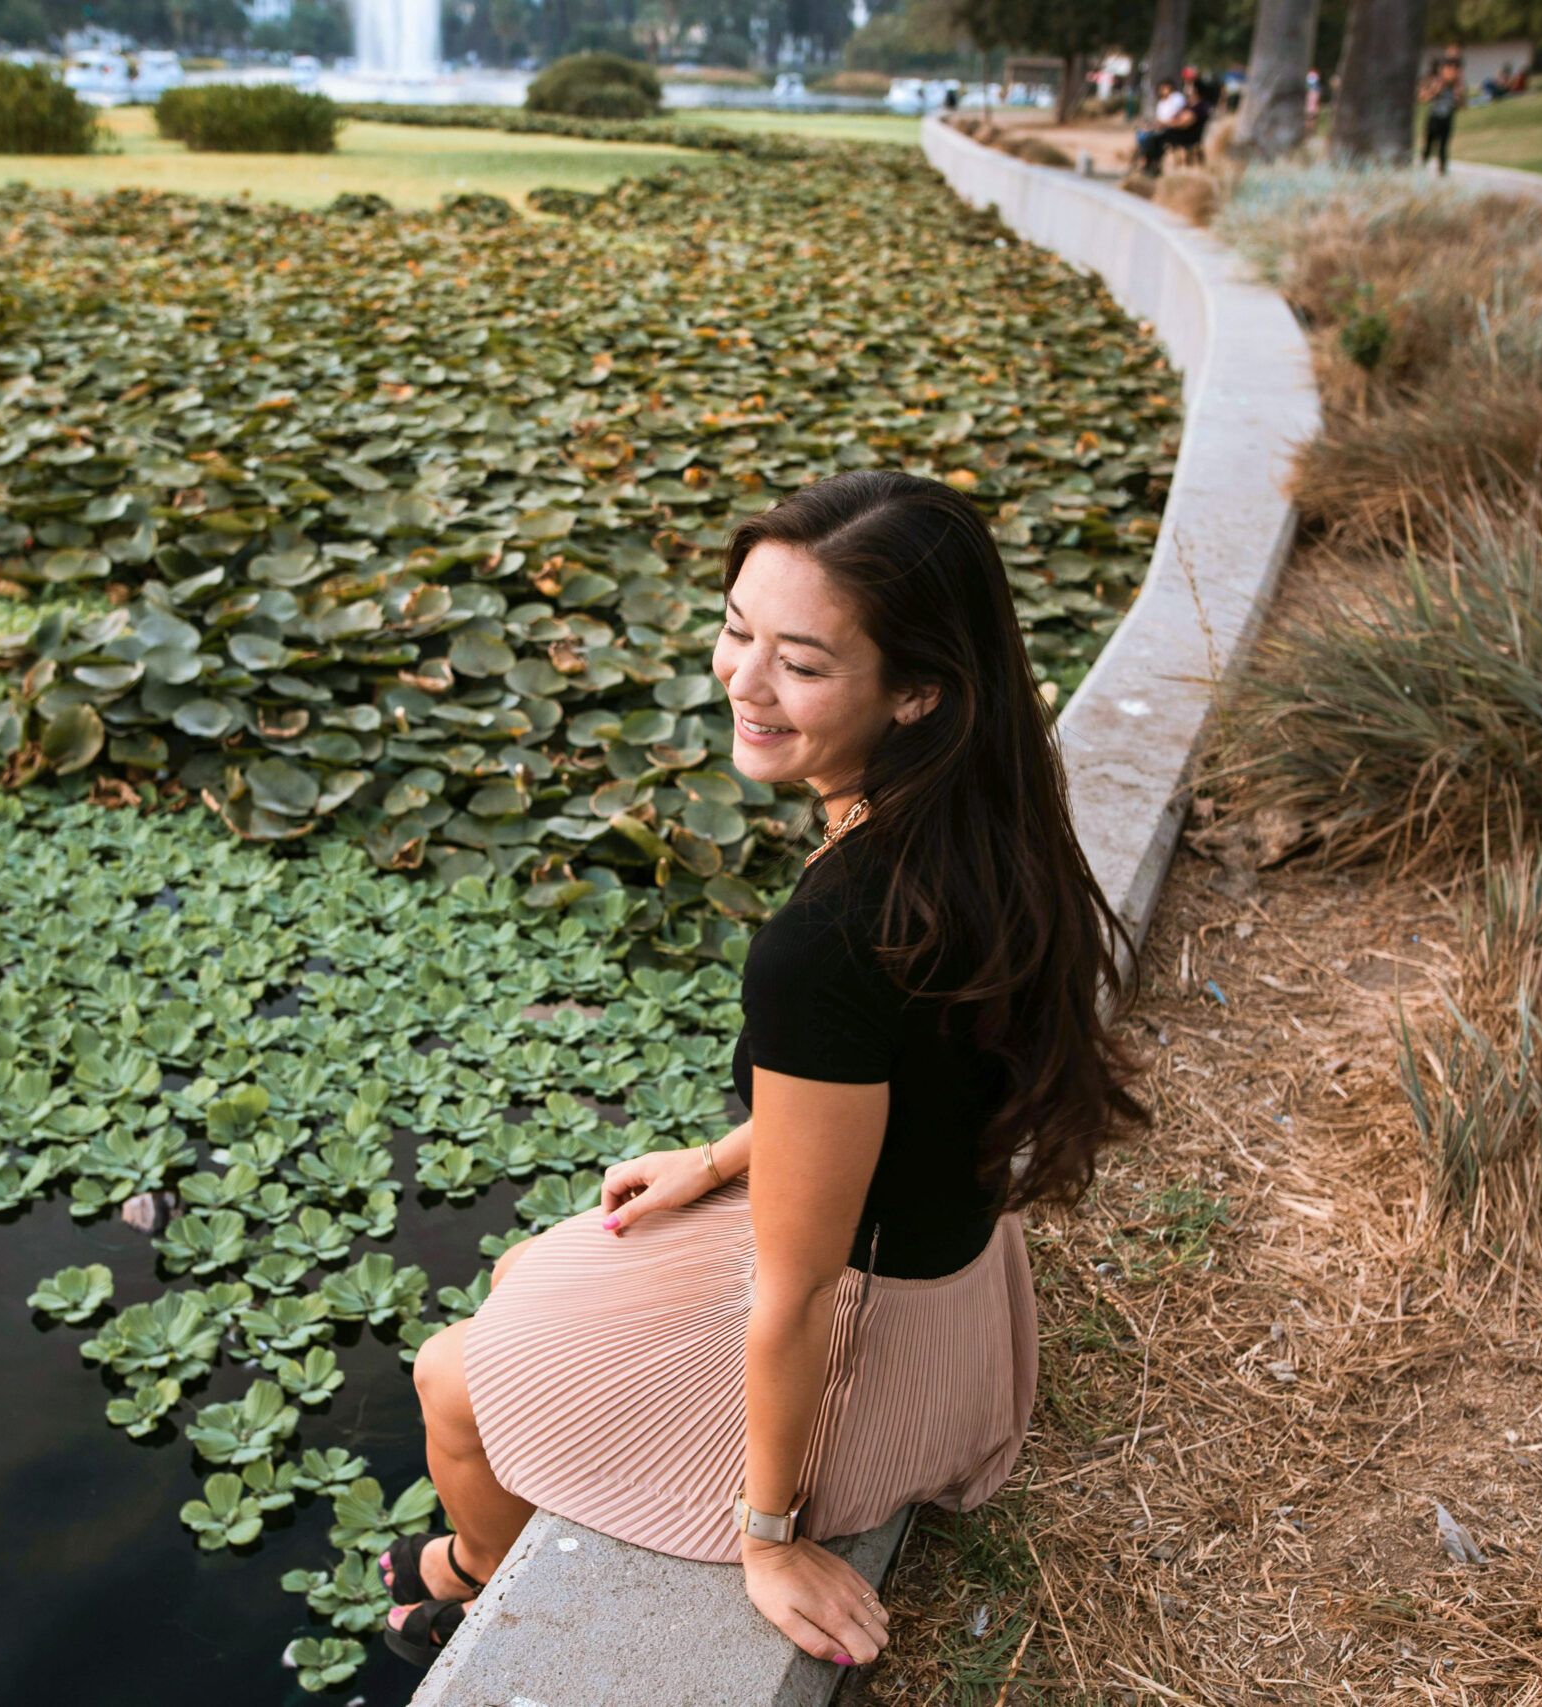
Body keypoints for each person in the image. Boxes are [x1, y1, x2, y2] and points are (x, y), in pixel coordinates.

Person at [377, 471, 1145, 1671]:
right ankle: (476, 1556)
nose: (742, 680)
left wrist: (770, 1535)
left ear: (917, 692)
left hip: (869, 1352)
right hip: (951, 1286)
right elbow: (918, 1092)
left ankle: (468, 1577)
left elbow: (794, 1293)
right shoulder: (983, 820)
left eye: (801, 661)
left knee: (450, 1378)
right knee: (538, 1266)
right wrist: (720, 1156)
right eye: (738, 630)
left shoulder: (828, 943)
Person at [1419, 49, 1465, 174]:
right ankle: (1422, 168)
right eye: (1449, 67)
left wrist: (1458, 94)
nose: (1452, 71)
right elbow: (1422, 97)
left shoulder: (1457, 86)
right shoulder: (1436, 81)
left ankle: (1442, 171)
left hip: (1447, 118)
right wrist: (1436, 90)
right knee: (1428, 145)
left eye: (1455, 68)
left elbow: (1462, 105)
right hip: (1434, 117)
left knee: (1443, 147)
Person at [1133, 77, 1193, 172]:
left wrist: (1163, 123)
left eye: (1164, 87)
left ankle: (1150, 161)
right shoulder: (1161, 102)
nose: (1163, 90)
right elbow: (1159, 120)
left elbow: (1176, 117)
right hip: (1162, 127)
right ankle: (1147, 160)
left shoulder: (1176, 98)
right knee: (1141, 135)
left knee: (1151, 138)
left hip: (1172, 130)